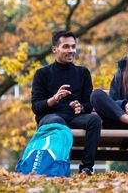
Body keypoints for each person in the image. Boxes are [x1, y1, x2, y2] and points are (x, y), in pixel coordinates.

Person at [31, 30, 102, 175]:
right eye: (66, 47)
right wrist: (54, 99)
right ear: (54, 49)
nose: (71, 51)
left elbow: (89, 105)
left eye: (73, 46)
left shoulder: (83, 73)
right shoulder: (42, 74)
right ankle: (60, 167)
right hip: (51, 117)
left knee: (94, 119)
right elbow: (36, 107)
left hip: (74, 118)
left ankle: (87, 168)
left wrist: (80, 107)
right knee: (58, 122)